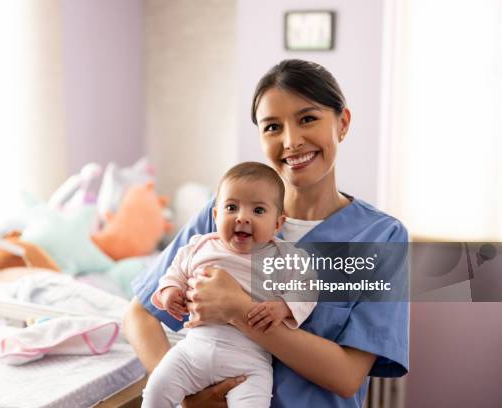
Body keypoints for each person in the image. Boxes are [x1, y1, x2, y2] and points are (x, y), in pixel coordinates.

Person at [124, 59, 409, 408]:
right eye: (272, 127)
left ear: (343, 123)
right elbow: (138, 315)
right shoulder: (226, 214)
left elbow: (347, 376)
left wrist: (239, 310)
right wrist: (185, 395)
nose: (291, 141)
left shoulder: (380, 237)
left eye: (307, 119)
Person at [141, 162, 316, 408]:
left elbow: (307, 287)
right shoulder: (200, 246)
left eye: (258, 210)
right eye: (231, 207)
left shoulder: (283, 256)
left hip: (249, 362)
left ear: (278, 223)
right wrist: (170, 292)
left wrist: (284, 306)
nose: (242, 217)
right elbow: (174, 273)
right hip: (193, 350)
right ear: (216, 215)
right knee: (155, 390)